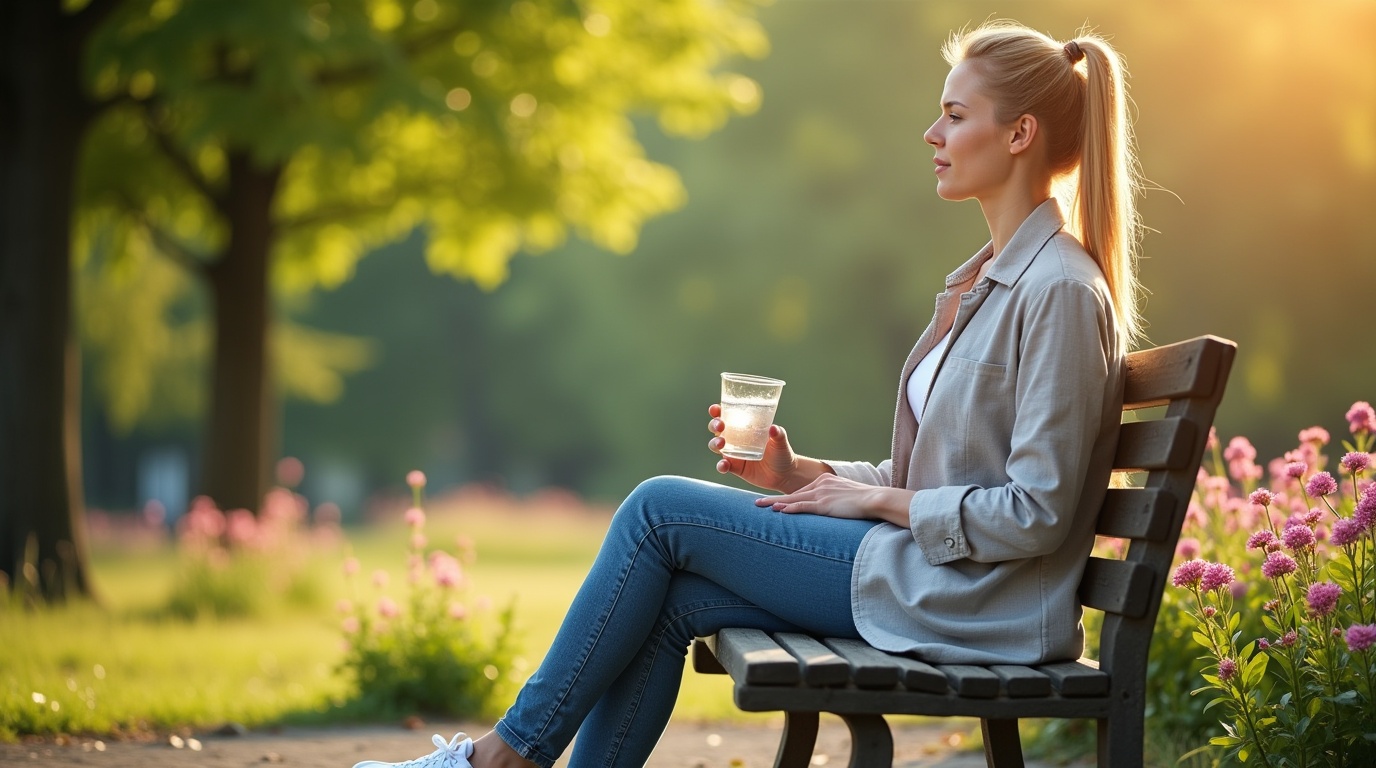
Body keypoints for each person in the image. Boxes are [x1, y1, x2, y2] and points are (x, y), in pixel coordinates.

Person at [353, 19, 1143, 768]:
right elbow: (937, 478)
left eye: (953, 114)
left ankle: (504, 757)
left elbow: (1036, 513)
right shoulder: (988, 284)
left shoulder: (1060, 292)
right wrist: (805, 476)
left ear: (1019, 133)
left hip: (973, 605)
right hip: (932, 576)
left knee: (658, 511)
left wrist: (874, 505)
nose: (931, 135)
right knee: (671, 601)